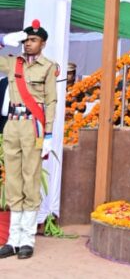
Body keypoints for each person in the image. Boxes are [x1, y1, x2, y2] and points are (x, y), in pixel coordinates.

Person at [0, 20, 57, 259]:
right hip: (12, 125)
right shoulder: (13, 62)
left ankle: (27, 240)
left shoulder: (48, 67)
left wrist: (49, 134)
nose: (28, 44)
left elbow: (51, 101)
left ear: (43, 44)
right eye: (26, 40)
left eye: (33, 40)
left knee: (30, 179)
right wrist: (3, 40)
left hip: (33, 126)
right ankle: (13, 240)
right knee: (13, 180)